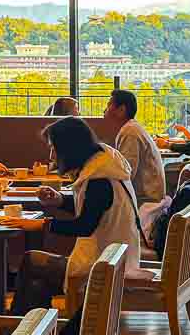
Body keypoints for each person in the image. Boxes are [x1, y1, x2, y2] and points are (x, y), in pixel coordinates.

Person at [12, 116, 142, 315]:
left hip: (102, 265)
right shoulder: (106, 166)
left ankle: (23, 332)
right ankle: (36, 330)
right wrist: (59, 201)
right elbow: (94, 208)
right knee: (38, 282)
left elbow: (85, 225)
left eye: (54, 148)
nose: (52, 155)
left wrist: (43, 225)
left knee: (31, 261)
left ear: (68, 148)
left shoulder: (99, 179)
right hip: (117, 256)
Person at [103, 87, 166, 206]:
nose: (104, 110)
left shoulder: (130, 132)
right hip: (147, 198)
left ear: (121, 110)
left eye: (108, 105)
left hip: (145, 202)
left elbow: (126, 174)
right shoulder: (131, 128)